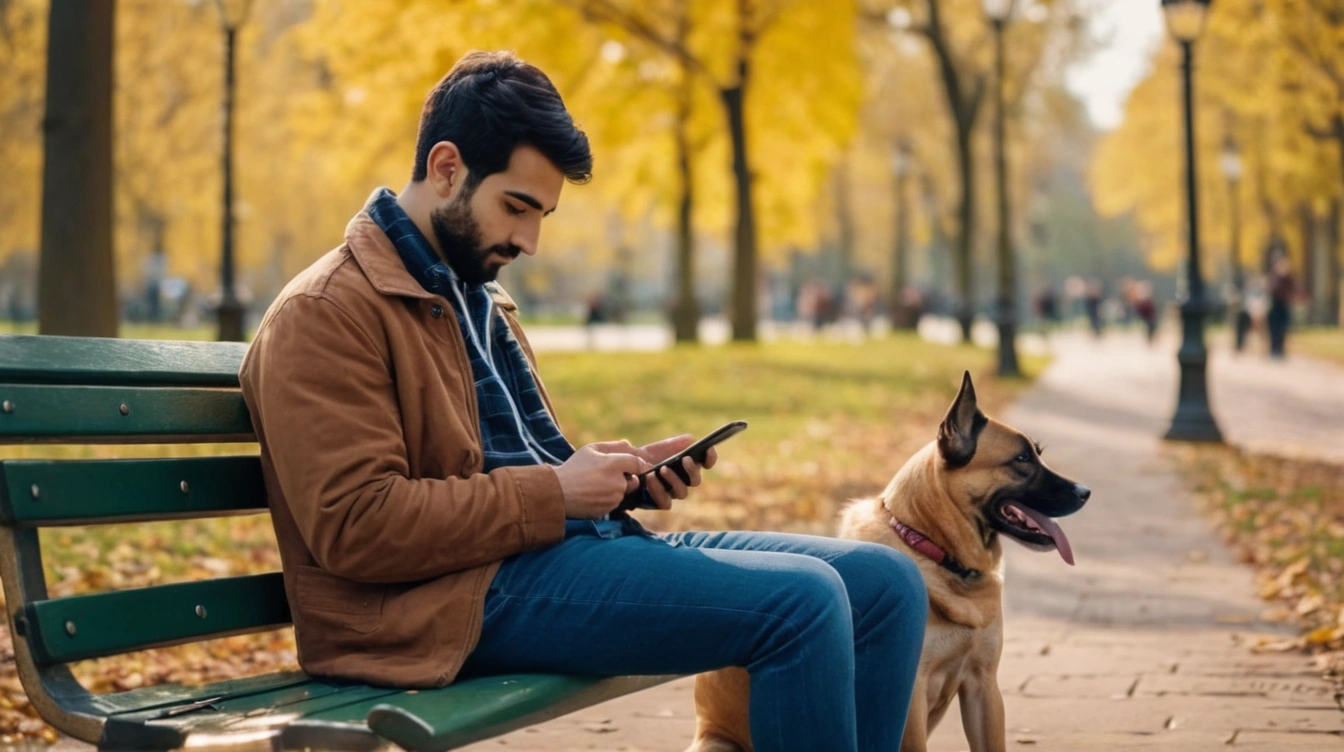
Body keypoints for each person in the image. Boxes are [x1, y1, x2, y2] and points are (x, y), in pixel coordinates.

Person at [238, 51, 927, 752]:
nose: (530, 240)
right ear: (446, 168)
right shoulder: (326, 312)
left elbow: (519, 467)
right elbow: (357, 527)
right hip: (440, 607)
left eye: (544, 215)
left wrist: (615, 483)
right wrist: (556, 494)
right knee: (802, 604)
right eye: (517, 207)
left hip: (544, 559)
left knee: (888, 583)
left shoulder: (476, 294)